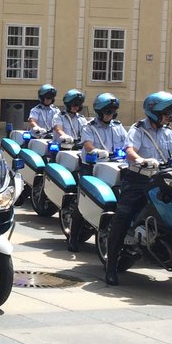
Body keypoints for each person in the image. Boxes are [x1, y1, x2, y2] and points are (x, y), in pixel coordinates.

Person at [104, 91, 172, 286]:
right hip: (139, 179)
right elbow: (129, 149)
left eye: (171, 113)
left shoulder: (168, 131)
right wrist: (140, 160)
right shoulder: (139, 129)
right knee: (123, 216)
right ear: (154, 112)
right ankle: (111, 266)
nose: (169, 117)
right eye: (166, 113)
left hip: (164, 179)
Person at [68, 92, 129, 251]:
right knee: (84, 200)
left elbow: (127, 144)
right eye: (107, 111)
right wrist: (96, 151)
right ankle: (73, 238)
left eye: (112, 112)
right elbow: (87, 144)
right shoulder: (89, 127)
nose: (109, 115)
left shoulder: (118, 127)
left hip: (114, 166)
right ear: (100, 111)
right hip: (92, 166)